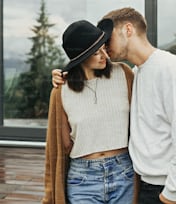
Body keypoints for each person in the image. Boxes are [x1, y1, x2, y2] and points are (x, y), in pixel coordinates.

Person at [52, 7, 176, 204]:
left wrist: (172, 192)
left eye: (108, 37)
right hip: (148, 186)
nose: (104, 45)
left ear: (128, 30)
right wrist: (66, 75)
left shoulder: (171, 70)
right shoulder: (137, 73)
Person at [42, 20, 135, 204]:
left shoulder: (124, 74)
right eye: (95, 52)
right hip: (83, 178)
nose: (104, 55)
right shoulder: (62, 90)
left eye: (102, 47)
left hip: (123, 172)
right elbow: (59, 145)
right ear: (81, 57)